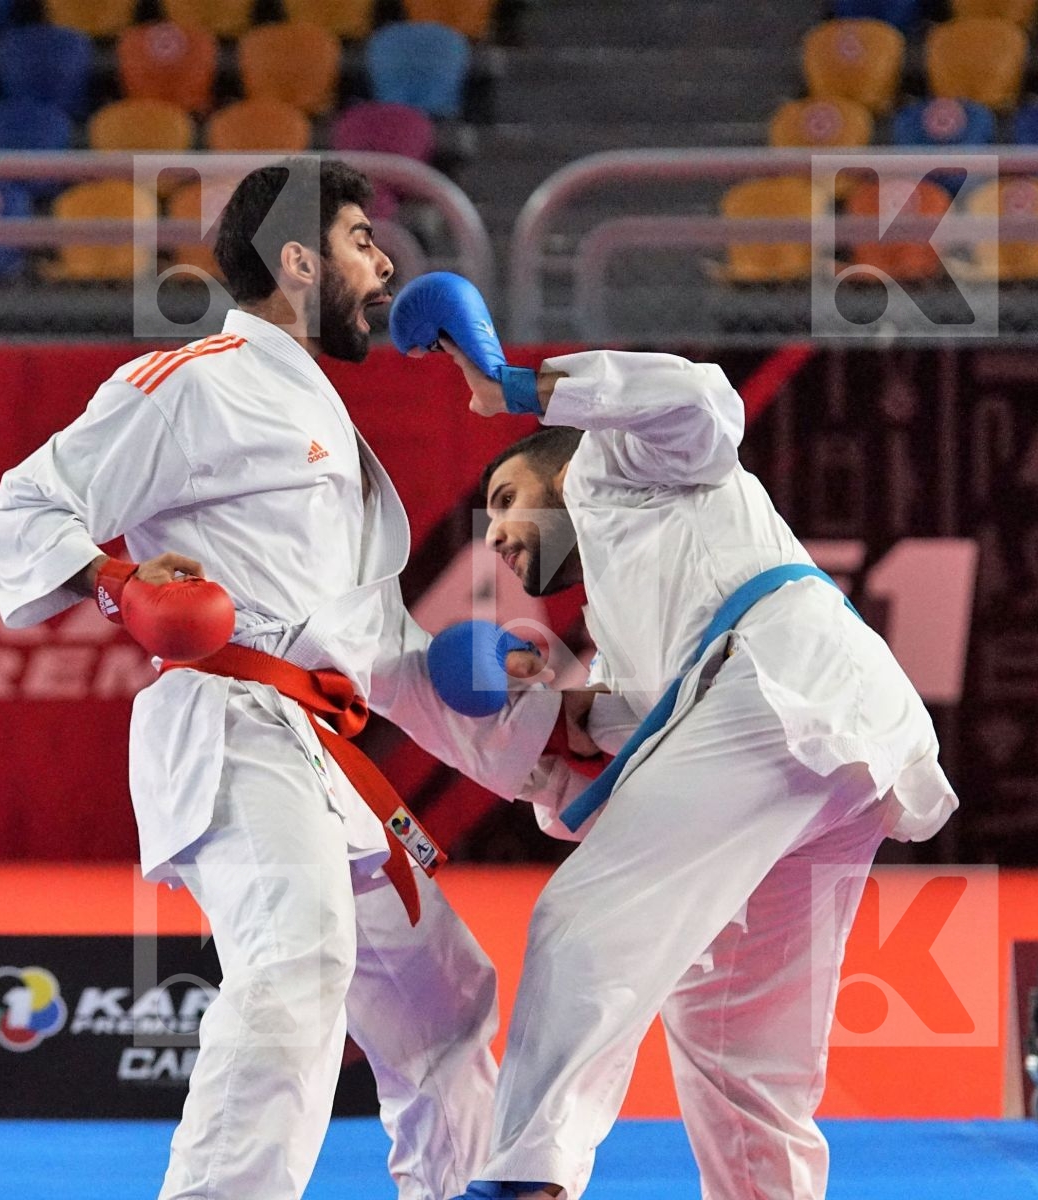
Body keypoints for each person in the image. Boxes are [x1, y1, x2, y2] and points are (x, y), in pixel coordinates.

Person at [0, 161, 562, 1200]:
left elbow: (367, 655)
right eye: (360, 242)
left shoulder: (322, 418)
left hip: (315, 748)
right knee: (293, 969)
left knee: (444, 1003)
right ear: (297, 262)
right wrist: (113, 578)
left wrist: (490, 702)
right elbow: (27, 505)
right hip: (232, 723)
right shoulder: (197, 379)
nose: (385, 265)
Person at [391, 280, 957, 1200]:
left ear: (562, 462)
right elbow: (637, 762)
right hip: (826, 735)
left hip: (782, 694)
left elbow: (703, 400)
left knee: (584, 922)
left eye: (505, 498)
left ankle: (525, 1178)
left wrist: (516, 386)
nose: (494, 533)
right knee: (734, 1038)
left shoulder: (627, 462)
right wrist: (561, 715)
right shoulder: (628, 631)